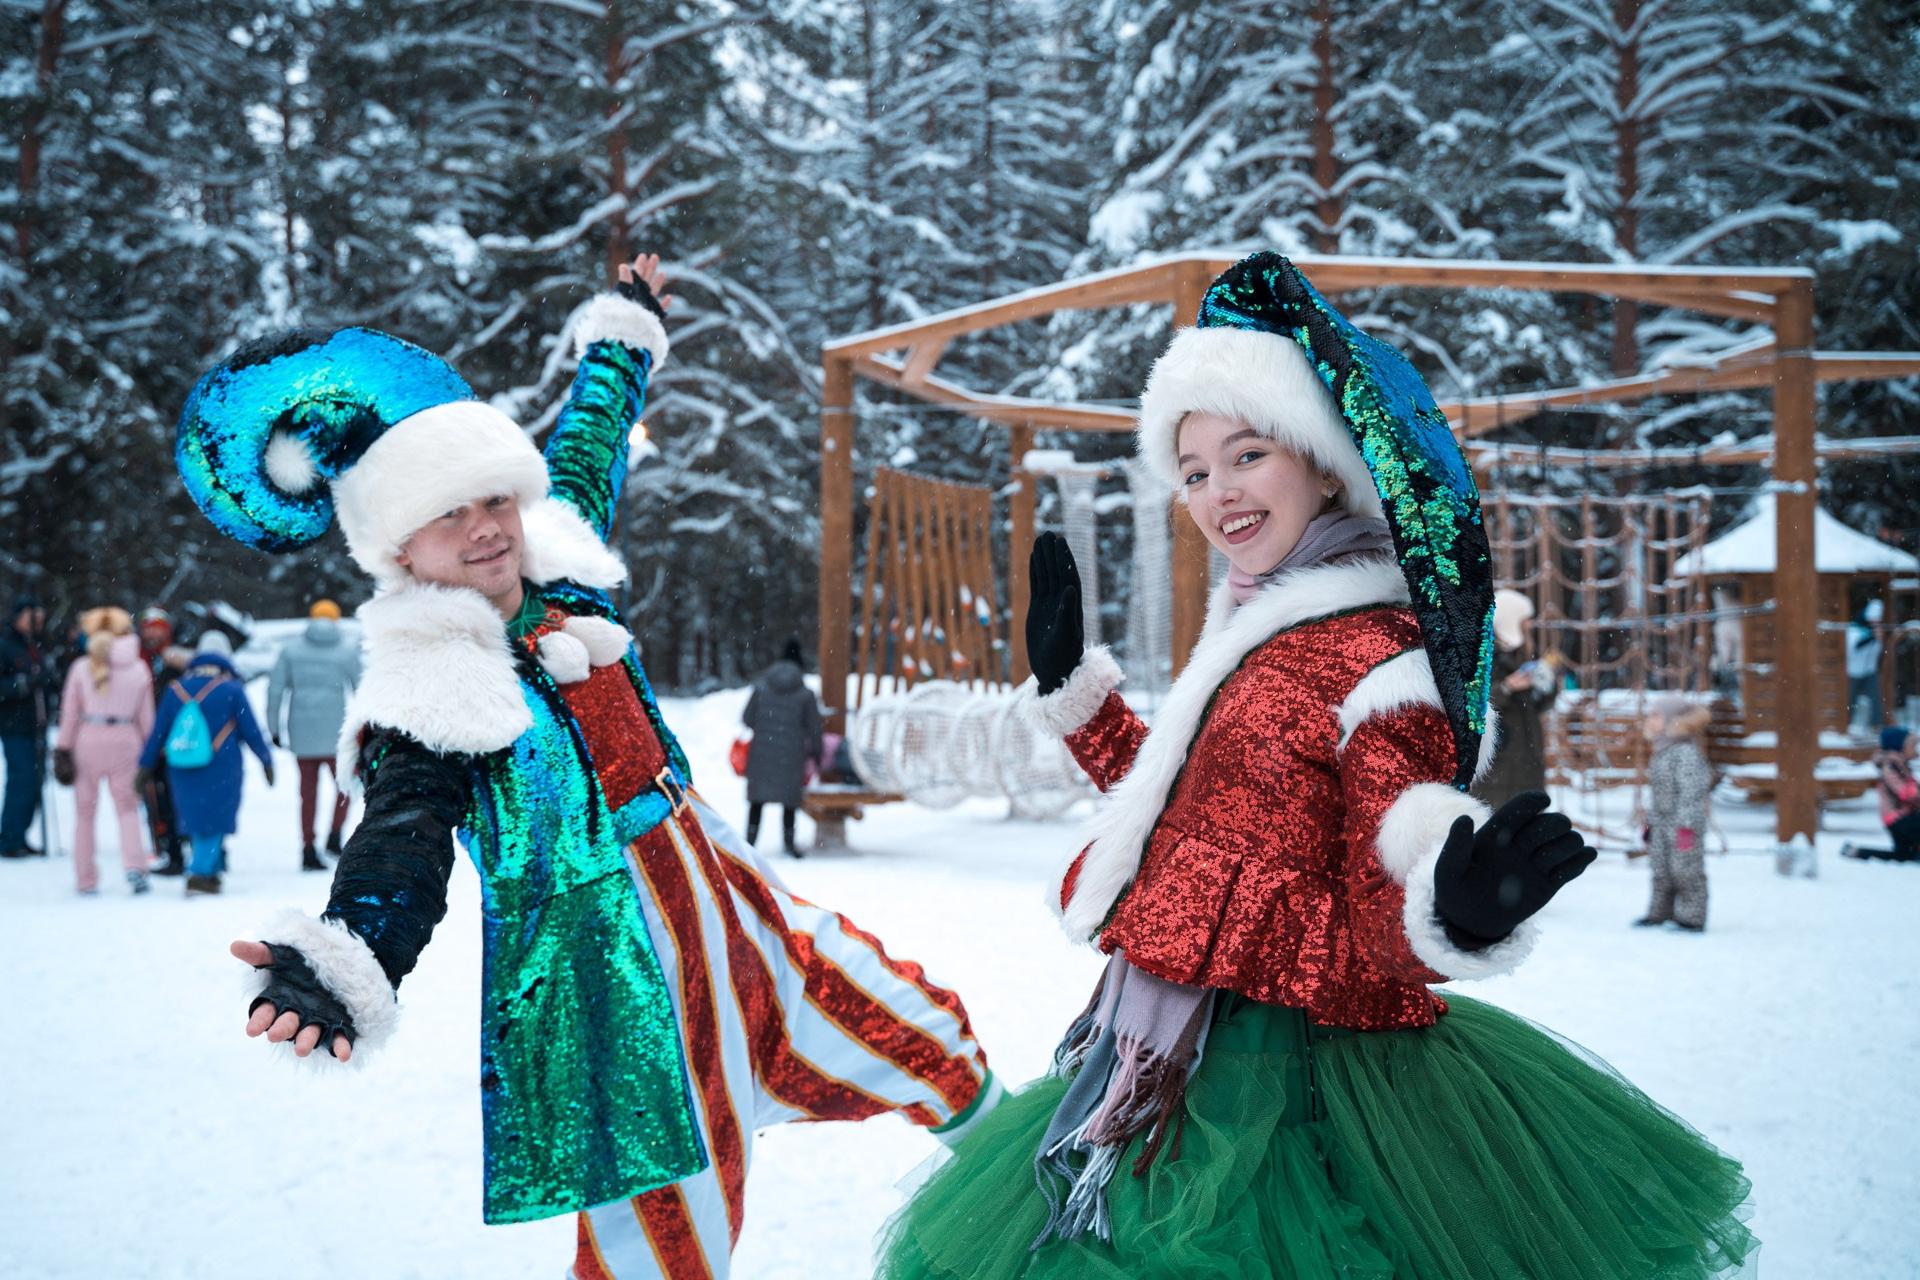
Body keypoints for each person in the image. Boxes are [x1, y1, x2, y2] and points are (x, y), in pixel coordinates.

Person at [878, 253, 1755, 1280]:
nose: (1217, 492)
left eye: (1245, 454)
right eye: (1194, 470)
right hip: (1162, 1040)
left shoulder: (1380, 650)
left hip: (1284, 1076)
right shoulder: (1254, 619)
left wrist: (1451, 902)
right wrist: (1077, 690)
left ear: (1324, 460)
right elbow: (1193, 820)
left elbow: (1393, 833)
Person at [175, 250, 997, 1277]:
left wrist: (622, 334)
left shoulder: (562, 566)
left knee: (936, 1041)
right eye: (448, 514)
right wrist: (349, 957)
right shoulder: (428, 692)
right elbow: (403, 839)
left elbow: (592, 439)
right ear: (399, 551)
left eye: (493, 499)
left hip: (741, 919)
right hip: (614, 1000)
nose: (483, 527)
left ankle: (1053, 1225)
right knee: (662, 1251)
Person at [137, 631, 274, 895]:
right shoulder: (232, 689)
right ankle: (199, 873)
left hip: (182, 765)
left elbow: (159, 732)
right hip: (223, 764)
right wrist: (266, 760)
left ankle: (210, 871)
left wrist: (145, 766)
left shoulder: (175, 689)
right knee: (217, 817)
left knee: (196, 817)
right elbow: (251, 730)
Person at [54, 608, 155, 894]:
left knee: (84, 812)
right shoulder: (138, 668)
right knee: (127, 808)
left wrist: (63, 748)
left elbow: (70, 713)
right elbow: (146, 718)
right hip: (126, 740)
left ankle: (85, 877)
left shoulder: (81, 667)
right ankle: (135, 866)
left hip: (87, 738)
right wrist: (150, 753)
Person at [267, 598, 362, 870]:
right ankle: (334, 835)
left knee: (307, 794)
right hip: (335, 734)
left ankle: (308, 848)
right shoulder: (346, 651)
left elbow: (275, 691)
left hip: (302, 733)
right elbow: (363, 689)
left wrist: (274, 729)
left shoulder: (291, 650)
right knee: (345, 786)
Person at [1635, 695, 1716, 930]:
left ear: (1672, 719)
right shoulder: (1662, 749)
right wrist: (1650, 823)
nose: (1650, 719)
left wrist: (1686, 826)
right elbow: (1659, 793)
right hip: (1661, 821)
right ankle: (1660, 912)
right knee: (1660, 868)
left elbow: (1692, 793)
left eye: (1656, 715)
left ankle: (1692, 917)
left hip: (1683, 824)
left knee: (1685, 869)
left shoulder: (1685, 752)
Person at [1474, 588, 1557, 808]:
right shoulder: (1482, 652)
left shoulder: (1525, 653)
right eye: (1524, 620)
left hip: (1527, 753)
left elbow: (1539, 705)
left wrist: (1546, 686)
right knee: (1497, 821)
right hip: (1499, 761)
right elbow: (1473, 702)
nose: (1529, 626)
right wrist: (1507, 687)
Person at [741, 635, 823, 856]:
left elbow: (747, 718)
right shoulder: (805, 694)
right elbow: (815, 728)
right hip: (790, 755)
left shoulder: (761, 687)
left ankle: (749, 843)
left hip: (762, 754)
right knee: (789, 802)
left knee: (757, 801)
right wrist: (818, 754)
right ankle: (789, 844)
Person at [1, 592, 57, 859]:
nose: (37, 623)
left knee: (35, 782)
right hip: (15, 726)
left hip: (37, 724)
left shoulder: (36, 646)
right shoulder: (6, 645)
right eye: (32, 618)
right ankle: (10, 838)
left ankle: (19, 835)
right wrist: (22, 684)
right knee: (21, 781)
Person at [136, 606, 191, 875]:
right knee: (157, 801)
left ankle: (183, 849)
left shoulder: (176, 662)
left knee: (178, 798)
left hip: (176, 741)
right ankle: (168, 849)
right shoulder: (138, 659)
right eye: (148, 627)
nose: (152, 632)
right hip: (149, 740)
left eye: (157, 626)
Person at [1842, 726, 1920, 862]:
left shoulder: (1900, 764)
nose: (1915, 749)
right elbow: (1905, 793)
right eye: (1912, 745)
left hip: (1900, 818)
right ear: (1900, 746)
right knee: (1906, 854)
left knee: (1904, 855)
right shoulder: (1890, 765)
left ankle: (1858, 852)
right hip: (1901, 819)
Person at [1847, 599, 1885, 733]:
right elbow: (1855, 647)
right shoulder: (1854, 628)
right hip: (1853, 672)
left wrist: (1878, 639)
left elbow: (1878, 652)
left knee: (1875, 700)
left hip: (1870, 671)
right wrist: (1872, 638)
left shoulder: (1875, 631)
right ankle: (1846, 724)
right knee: (1850, 701)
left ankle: (1876, 725)